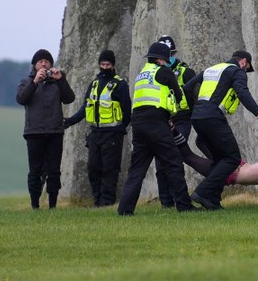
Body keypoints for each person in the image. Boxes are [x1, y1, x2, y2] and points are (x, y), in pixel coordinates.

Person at [184, 50, 258, 210]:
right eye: (247, 67)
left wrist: (194, 108)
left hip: (198, 117)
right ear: (243, 61)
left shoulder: (212, 69)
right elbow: (242, 92)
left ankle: (212, 200)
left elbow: (188, 87)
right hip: (212, 117)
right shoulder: (236, 71)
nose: (245, 72)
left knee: (220, 160)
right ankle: (202, 192)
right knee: (232, 158)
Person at [117, 42, 194, 215]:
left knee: (137, 170)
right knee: (173, 163)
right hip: (156, 123)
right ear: (161, 59)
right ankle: (184, 206)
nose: (167, 62)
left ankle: (124, 210)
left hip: (138, 124)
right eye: (166, 60)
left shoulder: (141, 74)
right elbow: (179, 94)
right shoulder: (164, 71)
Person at [63, 49, 132, 206]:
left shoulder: (120, 85)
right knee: (93, 167)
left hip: (113, 134)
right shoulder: (94, 84)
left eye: (108, 64)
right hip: (95, 133)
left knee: (110, 169)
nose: (105, 67)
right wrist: (70, 121)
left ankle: (106, 202)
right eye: (102, 64)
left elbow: (127, 111)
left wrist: (120, 129)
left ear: (113, 65)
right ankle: (97, 200)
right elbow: (85, 107)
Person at [16, 49, 76, 209]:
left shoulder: (57, 82)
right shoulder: (26, 81)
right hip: (34, 133)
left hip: (54, 132)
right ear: (34, 65)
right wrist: (35, 82)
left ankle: (53, 205)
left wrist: (61, 80)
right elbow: (21, 99)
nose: (44, 63)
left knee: (54, 171)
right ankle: (35, 204)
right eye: (40, 61)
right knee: (35, 171)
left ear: (51, 65)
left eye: (47, 61)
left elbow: (70, 98)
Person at [153, 35, 199, 208]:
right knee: (160, 159)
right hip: (163, 119)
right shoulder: (155, 73)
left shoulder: (187, 72)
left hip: (182, 119)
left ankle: (179, 197)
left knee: (175, 155)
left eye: (171, 53)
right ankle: (166, 201)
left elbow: (195, 97)